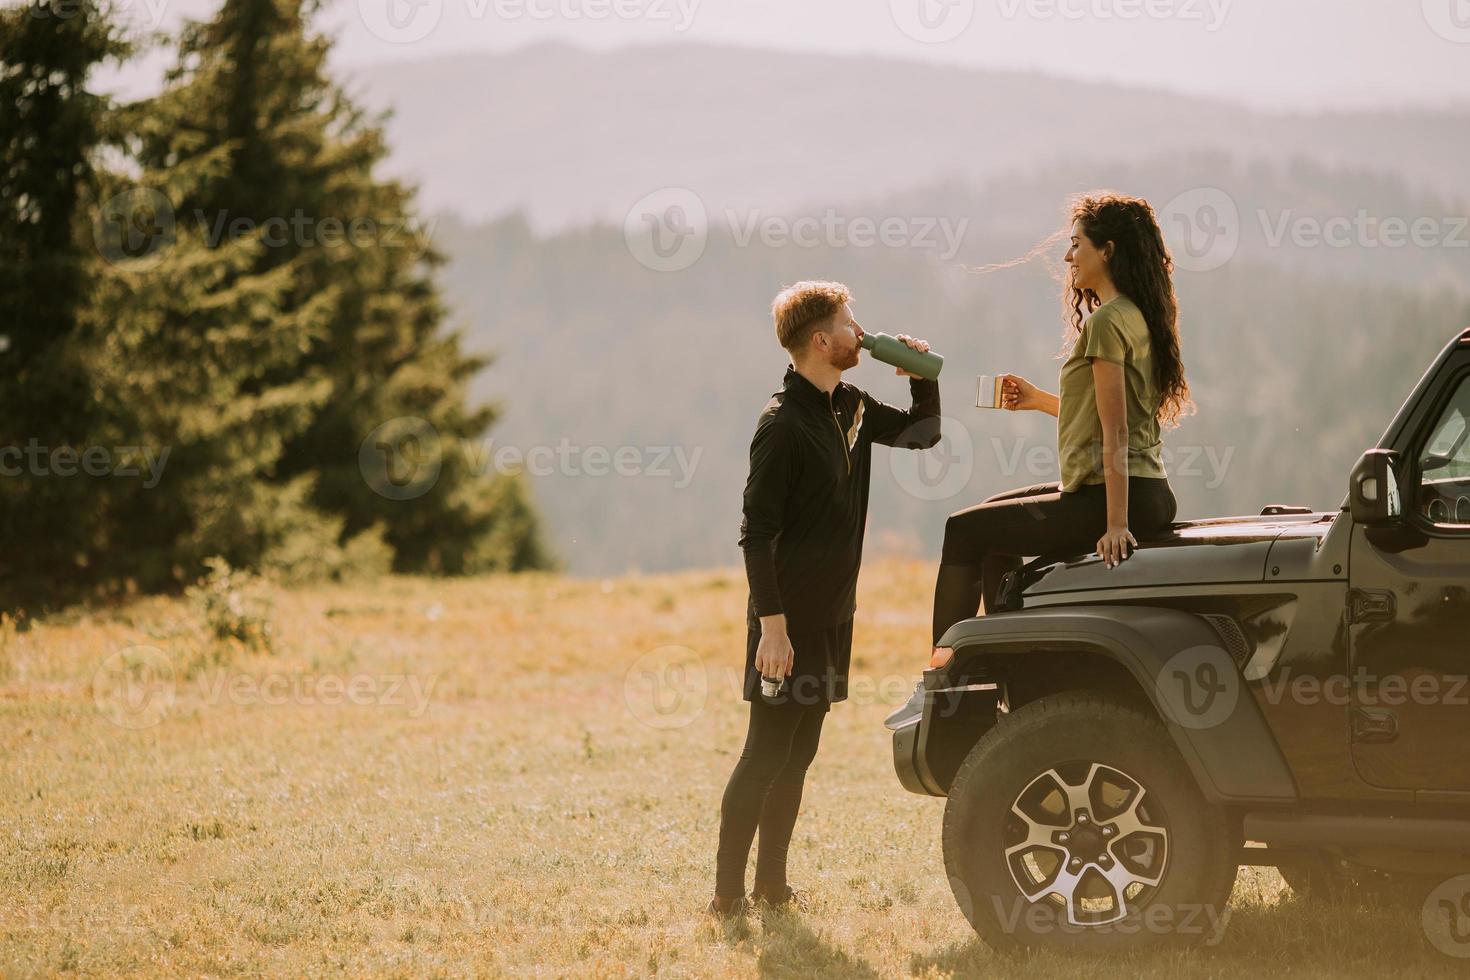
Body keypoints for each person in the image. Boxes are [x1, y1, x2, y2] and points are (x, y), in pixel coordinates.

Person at [889, 193, 1192, 732]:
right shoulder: (1131, 315)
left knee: (963, 531)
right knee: (991, 524)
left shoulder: (1104, 325)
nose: (1069, 257)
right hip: (1140, 490)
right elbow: (1105, 415)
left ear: (1108, 250)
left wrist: (1115, 522)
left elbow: (1118, 430)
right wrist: (1036, 400)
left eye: (1076, 245)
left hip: (1113, 497)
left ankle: (941, 684)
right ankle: (1008, 681)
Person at [710, 280, 941, 917]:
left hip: (834, 617)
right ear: (821, 340)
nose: (858, 331)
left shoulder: (851, 407)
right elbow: (756, 534)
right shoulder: (780, 427)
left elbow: (924, 436)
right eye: (849, 322)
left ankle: (772, 888)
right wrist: (772, 631)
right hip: (786, 623)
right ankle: (727, 897)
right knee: (765, 753)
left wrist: (920, 375)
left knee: (800, 752)